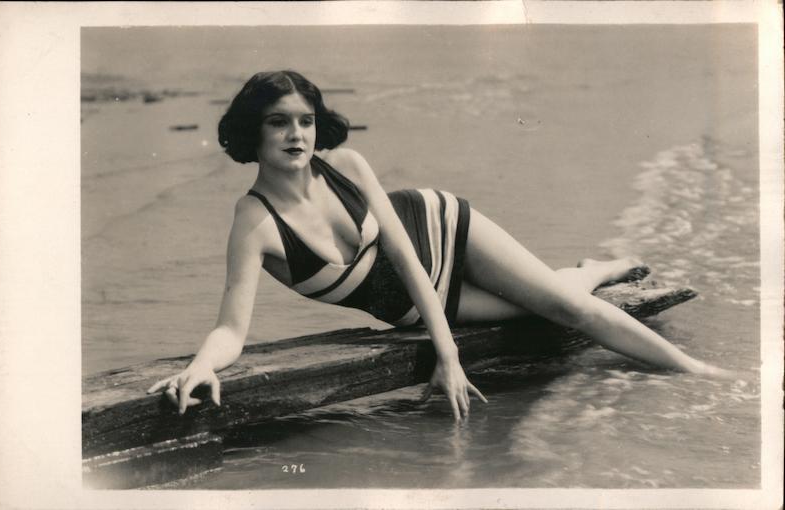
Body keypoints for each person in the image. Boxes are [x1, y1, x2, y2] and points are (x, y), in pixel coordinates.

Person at [148, 70, 728, 422]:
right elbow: (231, 329)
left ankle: (695, 371)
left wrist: (448, 359)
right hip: (413, 307)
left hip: (442, 227)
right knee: (543, 304)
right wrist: (199, 367)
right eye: (279, 122)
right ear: (254, 131)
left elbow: (402, 253)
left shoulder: (346, 164)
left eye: (305, 120)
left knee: (565, 310)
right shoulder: (255, 222)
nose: (296, 134)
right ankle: (594, 269)